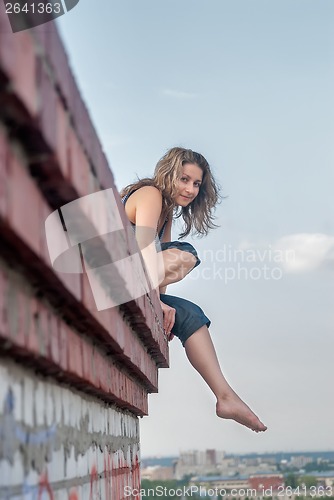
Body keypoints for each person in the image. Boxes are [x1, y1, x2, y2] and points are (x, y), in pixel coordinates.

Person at [120, 147, 267, 433]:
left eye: (197, 184)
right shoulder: (150, 194)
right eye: (184, 179)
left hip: (128, 282)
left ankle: (225, 397)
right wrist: (152, 302)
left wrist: (158, 306)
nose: (190, 189)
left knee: (191, 315)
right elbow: (145, 252)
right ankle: (226, 397)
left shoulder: (167, 213)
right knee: (185, 252)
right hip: (106, 276)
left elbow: (157, 274)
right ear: (168, 174)